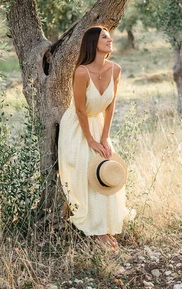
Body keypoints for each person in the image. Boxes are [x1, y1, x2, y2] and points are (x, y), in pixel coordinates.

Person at [58, 26, 129, 250]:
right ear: (92, 43)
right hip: (79, 126)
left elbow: (111, 105)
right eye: (104, 37)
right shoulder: (81, 72)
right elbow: (79, 110)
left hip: (98, 124)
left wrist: (104, 137)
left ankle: (106, 227)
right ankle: (97, 231)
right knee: (86, 171)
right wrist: (90, 140)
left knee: (105, 170)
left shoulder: (115, 69)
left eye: (109, 36)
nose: (110, 40)